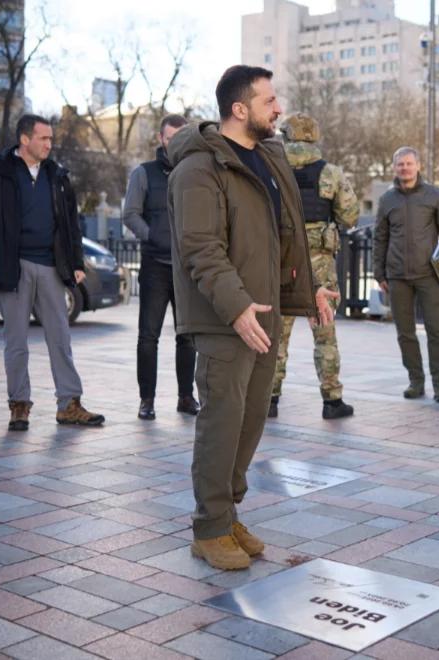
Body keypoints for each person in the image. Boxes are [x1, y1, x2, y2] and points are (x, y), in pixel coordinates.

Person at [167, 65, 336, 570]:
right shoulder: (199, 168)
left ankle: (228, 511)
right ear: (239, 109)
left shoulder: (268, 157)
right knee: (222, 420)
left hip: (264, 311)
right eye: (269, 100)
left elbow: (286, 237)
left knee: (252, 417)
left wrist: (307, 294)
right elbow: (201, 247)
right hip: (225, 316)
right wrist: (236, 305)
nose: (278, 108)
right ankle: (209, 526)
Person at [0, 114, 104, 431]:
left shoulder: (57, 175)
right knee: (16, 342)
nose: (49, 144)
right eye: (44, 138)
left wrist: (76, 263)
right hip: (12, 268)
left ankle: (69, 404)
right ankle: (19, 406)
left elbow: (70, 223)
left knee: (61, 338)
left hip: (51, 267)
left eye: (51, 139)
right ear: (25, 139)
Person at [269, 112, 359, 419]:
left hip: (283, 261)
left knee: (277, 334)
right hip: (320, 263)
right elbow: (349, 216)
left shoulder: (273, 169)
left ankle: (270, 399)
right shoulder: (330, 173)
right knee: (325, 333)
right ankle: (332, 400)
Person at [123, 114, 200, 420]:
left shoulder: (196, 174)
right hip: (155, 267)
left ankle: (185, 397)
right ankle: (147, 400)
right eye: (170, 138)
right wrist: (152, 236)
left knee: (188, 337)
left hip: (186, 271)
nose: (175, 143)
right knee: (148, 337)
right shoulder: (144, 173)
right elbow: (130, 214)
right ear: (161, 139)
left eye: (181, 138)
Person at [373, 147, 439, 402]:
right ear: (395, 168)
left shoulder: (434, 195)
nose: (405, 168)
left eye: (409, 164)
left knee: (436, 330)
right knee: (405, 333)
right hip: (397, 276)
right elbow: (380, 238)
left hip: (428, 276)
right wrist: (380, 274)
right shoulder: (387, 200)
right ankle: (416, 381)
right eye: (400, 164)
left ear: (418, 166)